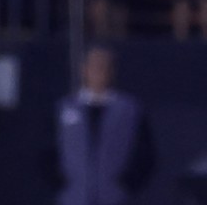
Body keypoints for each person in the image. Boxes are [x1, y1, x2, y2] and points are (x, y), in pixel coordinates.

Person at [52, 44, 154, 205]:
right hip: (73, 197)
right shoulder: (64, 108)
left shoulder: (130, 109)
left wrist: (127, 184)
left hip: (114, 197)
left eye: (105, 67)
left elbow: (145, 152)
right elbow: (48, 149)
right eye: (95, 66)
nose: (100, 72)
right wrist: (60, 182)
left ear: (112, 71)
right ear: (84, 69)